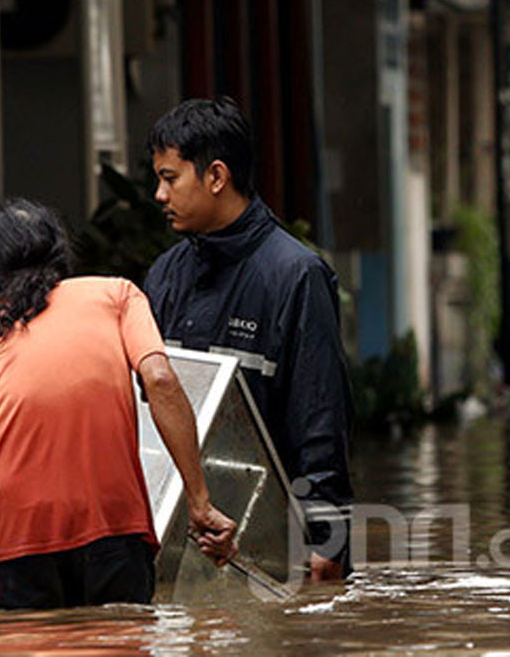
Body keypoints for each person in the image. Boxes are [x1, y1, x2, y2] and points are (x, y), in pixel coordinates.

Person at [0, 199, 237, 611]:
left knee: (16, 639)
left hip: (16, 545)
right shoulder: (116, 295)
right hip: (114, 531)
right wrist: (199, 502)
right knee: (119, 636)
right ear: (59, 259)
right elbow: (160, 379)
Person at [143, 98, 354, 583]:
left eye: (170, 178)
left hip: (271, 542)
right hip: (181, 533)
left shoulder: (295, 276)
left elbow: (320, 417)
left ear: (216, 176)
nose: (159, 194)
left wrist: (327, 541)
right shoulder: (165, 276)